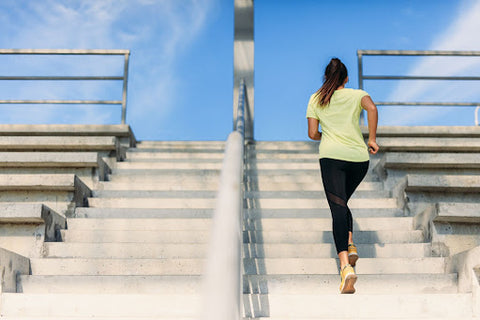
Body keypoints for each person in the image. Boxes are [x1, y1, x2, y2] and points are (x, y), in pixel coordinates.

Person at [306, 57, 379, 294]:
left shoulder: (316, 98)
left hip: (332, 158)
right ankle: (350, 241)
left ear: (326, 77)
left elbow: (312, 134)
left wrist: (327, 135)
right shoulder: (358, 94)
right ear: (346, 78)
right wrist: (371, 139)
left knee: (337, 207)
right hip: (359, 159)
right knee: (343, 202)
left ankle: (346, 267)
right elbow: (372, 108)